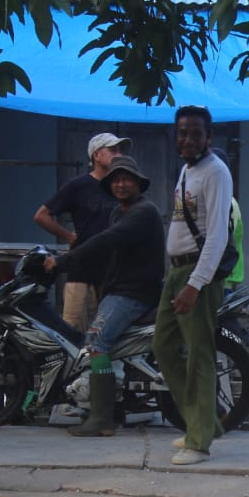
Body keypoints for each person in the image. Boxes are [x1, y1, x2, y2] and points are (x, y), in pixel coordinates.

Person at [42, 155, 165, 437]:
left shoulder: (142, 212)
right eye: (116, 180)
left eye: (127, 179)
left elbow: (105, 241)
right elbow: (106, 248)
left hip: (132, 293)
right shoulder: (120, 212)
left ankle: (102, 419)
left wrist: (63, 262)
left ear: (138, 184)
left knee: (96, 342)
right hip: (121, 288)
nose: (121, 184)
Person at [154, 105, 234, 465]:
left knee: (199, 355)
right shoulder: (188, 171)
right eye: (182, 133)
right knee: (164, 346)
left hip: (195, 275)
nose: (187, 139)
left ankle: (199, 441)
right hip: (176, 272)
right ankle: (201, 423)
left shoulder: (216, 172)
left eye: (195, 133)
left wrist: (195, 284)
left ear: (209, 137)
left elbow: (216, 235)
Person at [34, 132, 132, 331]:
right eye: (113, 150)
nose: (118, 154)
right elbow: (41, 215)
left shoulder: (121, 188)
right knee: (74, 332)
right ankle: (76, 364)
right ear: (96, 155)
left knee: (103, 336)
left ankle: (101, 365)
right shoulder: (78, 186)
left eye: (120, 151)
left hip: (113, 274)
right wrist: (69, 236)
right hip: (81, 271)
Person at [208, 147, 246, 292]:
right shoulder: (227, 201)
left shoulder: (226, 203)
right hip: (224, 276)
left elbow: (219, 241)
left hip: (222, 278)